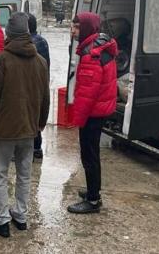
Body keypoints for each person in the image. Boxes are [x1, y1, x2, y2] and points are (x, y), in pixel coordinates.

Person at [0, 12, 50, 238]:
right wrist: (41, 122)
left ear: (9, 34)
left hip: (5, 129)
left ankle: (1, 219)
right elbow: (45, 96)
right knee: (24, 173)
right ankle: (20, 216)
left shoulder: (2, 59)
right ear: (28, 33)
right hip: (29, 128)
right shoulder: (40, 61)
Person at [67, 12, 117, 215]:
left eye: (77, 27)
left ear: (86, 28)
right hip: (99, 109)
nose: (73, 31)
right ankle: (92, 190)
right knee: (91, 153)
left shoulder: (91, 54)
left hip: (93, 113)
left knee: (89, 154)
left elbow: (88, 93)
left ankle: (94, 200)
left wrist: (78, 119)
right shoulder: (99, 44)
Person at [27, 13, 50, 160]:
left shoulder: (29, 43)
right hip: (41, 84)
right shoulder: (43, 41)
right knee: (36, 116)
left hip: (29, 85)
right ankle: (37, 148)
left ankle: (27, 149)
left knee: (27, 117)